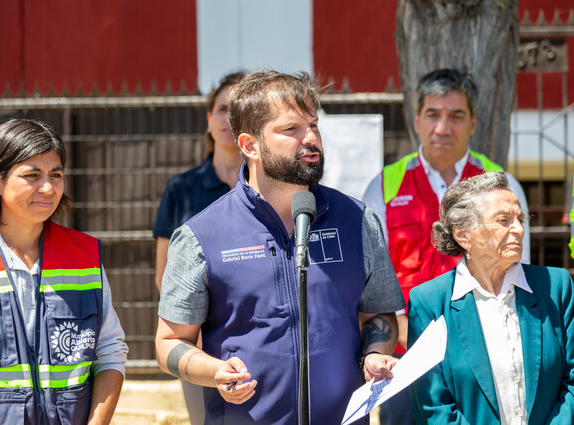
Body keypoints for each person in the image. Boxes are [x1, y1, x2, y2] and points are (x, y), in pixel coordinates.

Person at [155, 70, 405, 424]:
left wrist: (376, 353)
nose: (311, 138)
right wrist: (215, 372)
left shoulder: (357, 220)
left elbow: (379, 314)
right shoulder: (202, 236)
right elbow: (168, 343)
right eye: (292, 129)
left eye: (313, 125)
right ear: (249, 145)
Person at [362, 68, 530, 424]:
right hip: (407, 362)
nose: (443, 127)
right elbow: (373, 284)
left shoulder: (501, 186)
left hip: (487, 359)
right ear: (417, 121)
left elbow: (517, 274)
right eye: (433, 115)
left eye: (456, 115)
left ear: (472, 123)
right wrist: (415, 339)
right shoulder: (384, 187)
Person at [0, 119, 128, 424]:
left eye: (56, 175)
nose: (48, 188)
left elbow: (110, 354)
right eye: (32, 175)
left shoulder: (86, 255)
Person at [408, 172, 574, 423]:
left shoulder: (555, 287)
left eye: (519, 219)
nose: (518, 229)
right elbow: (432, 406)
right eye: (503, 220)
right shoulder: (429, 302)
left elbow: (571, 381)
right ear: (463, 235)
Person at [152, 71, 244, 424]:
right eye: (222, 109)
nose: (228, 119)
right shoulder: (182, 188)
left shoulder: (273, 191)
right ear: (208, 120)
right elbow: (164, 276)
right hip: (199, 345)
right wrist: (195, 332)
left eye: (238, 111)